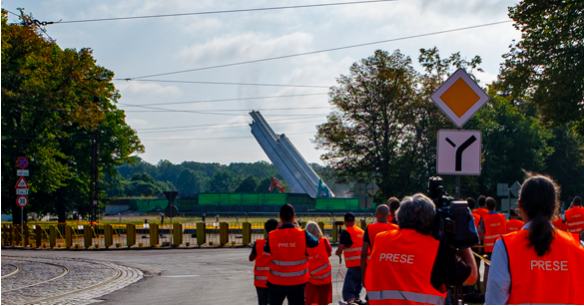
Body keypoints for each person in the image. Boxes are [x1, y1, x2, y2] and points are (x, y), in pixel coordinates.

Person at [485, 175, 584, 304]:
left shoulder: (504, 247)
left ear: (520, 205)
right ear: (555, 207)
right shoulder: (579, 247)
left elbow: (494, 301)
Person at [364, 194, 478, 305]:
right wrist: (462, 241)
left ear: (399, 217)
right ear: (431, 221)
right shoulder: (436, 248)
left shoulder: (380, 239)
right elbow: (471, 277)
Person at [265, 204, 319, 305]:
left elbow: (266, 248)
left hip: (276, 283)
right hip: (297, 283)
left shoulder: (272, 235)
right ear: (294, 216)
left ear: (280, 217)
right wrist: (299, 228)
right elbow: (315, 242)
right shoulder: (302, 234)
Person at [360, 204, 398, 284]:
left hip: (374, 267)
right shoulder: (396, 228)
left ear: (376, 214)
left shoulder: (370, 228)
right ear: (389, 215)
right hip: (391, 267)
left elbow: (363, 254)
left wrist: (363, 275)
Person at [335, 212, 365, 305]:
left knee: (348, 293)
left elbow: (339, 251)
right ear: (354, 221)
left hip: (354, 266)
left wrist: (340, 241)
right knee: (356, 292)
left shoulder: (346, 232)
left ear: (344, 222)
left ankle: (352, 304)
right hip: (364, 266)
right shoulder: (361, 231)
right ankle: (357, 303)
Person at [478, 197, 506, 292]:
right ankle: (500, 290)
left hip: (489, 248)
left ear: (486, 206)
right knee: (501, 269)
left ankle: (487, 291)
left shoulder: (484, 219)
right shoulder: (502, 217)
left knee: (487, 269)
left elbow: (481, 233)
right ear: (495, 205)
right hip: (501, 247)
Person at [249, 219, 279, 305]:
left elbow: (251, 258)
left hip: (260, 282)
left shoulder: (258, 243)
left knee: (262, 302)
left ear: (265, 230)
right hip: (275, 281)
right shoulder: (278, 244)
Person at [305, 221, 333, 305]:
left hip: (311, 277)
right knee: (323, 300)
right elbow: (329, 253)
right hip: (325, 276)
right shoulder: (324, 241)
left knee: (309, 300)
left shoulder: (305, 244)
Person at [467, 197, 482, 293]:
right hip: (475, 244)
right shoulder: (477, 217)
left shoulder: (463, 216)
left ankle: (468, 290)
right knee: (476, 268)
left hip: (465, 245)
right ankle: (478, 289)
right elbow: (480, 232)